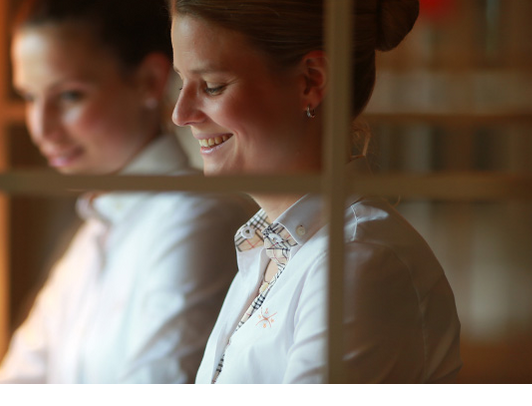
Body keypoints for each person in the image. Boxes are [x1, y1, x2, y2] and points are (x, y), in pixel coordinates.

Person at [169, 0, 462, 383]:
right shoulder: (272, 251)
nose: (181, 113)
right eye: (181, 82)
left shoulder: (360, 262)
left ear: (311, 81)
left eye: (212, 86)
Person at [0, 0, 250, 383]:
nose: (41, 128)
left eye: (70, 95)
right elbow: (19, 379)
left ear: (149, 82)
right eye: (30, 98)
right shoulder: (92, 234)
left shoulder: (196, 219)